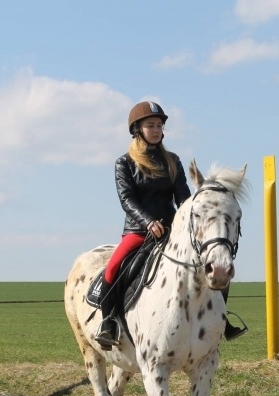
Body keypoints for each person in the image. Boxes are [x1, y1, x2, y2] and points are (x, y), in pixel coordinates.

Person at [94, 101, 246, 349]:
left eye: (159, 125)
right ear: (137, 129)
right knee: (113, 269)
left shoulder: (173, 160)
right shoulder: (124, 163)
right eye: (150, 125)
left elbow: (183, 198)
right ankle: (108, 323)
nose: (156, 130)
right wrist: (147, 222)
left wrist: (192, 220)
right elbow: (127, 199)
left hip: (172, 231)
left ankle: (222, 320)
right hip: (138, 231)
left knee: (214, 265)